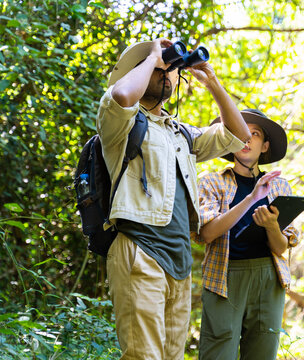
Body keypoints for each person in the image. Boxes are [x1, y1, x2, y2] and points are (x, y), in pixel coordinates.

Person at [97, 38, 251, 359]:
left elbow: (239, 136)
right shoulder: (120, 120)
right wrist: (153, 54)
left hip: (178, 260)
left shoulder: (179, 132)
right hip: (141, 249)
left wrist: (212, 82)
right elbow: (124, 95)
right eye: (156, 69)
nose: (165, 72)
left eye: (169, 68)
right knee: (144, 356)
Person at [194, 109, 300, 360]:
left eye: (254, 134)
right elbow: (207, 234)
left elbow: (281, 248)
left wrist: (272, 226)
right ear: (228, 139)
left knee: (262, 353)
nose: (247, 139)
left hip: (268, 278)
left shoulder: (279, 186)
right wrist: (252, 198)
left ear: (264, 146)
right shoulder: (211, 183)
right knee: (217, 353)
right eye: (240, 131)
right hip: (224, 278)